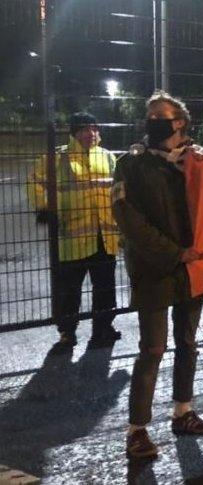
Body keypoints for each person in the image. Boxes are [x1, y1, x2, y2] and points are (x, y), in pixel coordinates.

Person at [112, 91, 203, 460]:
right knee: (153, 349)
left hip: (193, 268)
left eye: (162, 115)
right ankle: (137, 431)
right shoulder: (130, 164)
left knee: (187, 343)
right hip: (154, 269)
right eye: (150, 115)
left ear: (180, 122)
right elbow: (129, 222)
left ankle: (183, 412)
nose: (154, 121)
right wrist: (174, 252)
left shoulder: (200, 161)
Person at [28, 112, 121, 349]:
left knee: (105, 287)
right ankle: (67, 333)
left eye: (93, 128)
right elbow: (34, 181)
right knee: (69, 290)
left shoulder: (108, 157)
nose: (90, 133)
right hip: (73, 237)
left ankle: (103, 329)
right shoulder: (57, 158)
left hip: (105, 236)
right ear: (73, 133)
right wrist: (46, 209)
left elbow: (119, 188)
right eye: (83, 129)